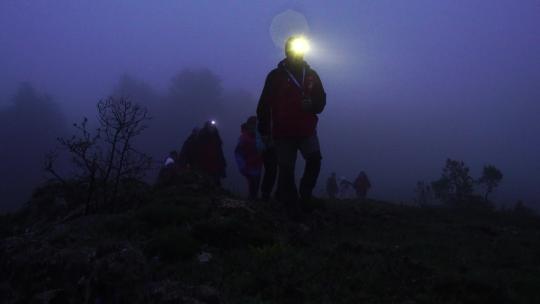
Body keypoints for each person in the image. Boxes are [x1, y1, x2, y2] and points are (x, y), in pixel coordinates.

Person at [257, 35, 326, 206]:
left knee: (315, 160)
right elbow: (264, 104)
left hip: (306, 130)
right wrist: (264, 130)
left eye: (301, 49)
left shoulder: (311, 75)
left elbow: (322, 100)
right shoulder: (275, 76)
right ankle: (291, 201)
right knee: (286, 169)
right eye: (294, 50)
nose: (298, 54)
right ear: (287, 52)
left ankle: (306, 191)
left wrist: (313, 105)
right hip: (283, 132)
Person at [235, 117, 263, 200]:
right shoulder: (244, 138)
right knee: (253, 185)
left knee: (255, 185)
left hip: (257, 165)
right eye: (253, 125)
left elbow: (262, 148)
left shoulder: (258, 136)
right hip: (249, 166)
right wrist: (242, 166)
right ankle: (252, 202)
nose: (254, 127)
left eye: (256, 125)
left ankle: (253, 202)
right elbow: (238, 152)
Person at [196, 121, 226, 186]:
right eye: (210, 126)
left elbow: (219, 152)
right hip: (205, 165)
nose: (211, 128)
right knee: (207, 182)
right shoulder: (202, 137)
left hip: (215, 165)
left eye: (212, 127)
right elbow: (199, 152)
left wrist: (222, 163)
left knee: (215, 182)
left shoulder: (216, 138)